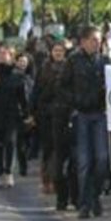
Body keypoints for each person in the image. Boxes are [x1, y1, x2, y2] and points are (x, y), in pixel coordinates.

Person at [61, 26, 110, 219]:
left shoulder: (105, 61)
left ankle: (95, 194)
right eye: (93, 40)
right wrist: (75, 101)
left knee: (102, 159)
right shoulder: (73, 61)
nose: (97, 44)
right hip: (81, 115)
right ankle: (84, 202)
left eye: (99, 40)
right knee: (83, 161)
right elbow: (62, 86)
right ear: (83, 42)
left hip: (100, 114)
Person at [0, 46, 28, 188]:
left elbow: (22, 97)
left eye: (6, 54)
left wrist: (27, 114)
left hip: (12, 114)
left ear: (12, 57)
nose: (3, 56)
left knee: (9, 141)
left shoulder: (18, 75)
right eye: (0, 54)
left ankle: (8, 172)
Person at [34, 42, 68, 199]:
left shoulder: (68, 68)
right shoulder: (44, 68)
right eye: (56, 50)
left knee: (59, 147)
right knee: (48, 147)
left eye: (61, 50)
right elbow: (37, 91)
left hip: (62, 112)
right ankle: (46, 177)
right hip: (46, 113)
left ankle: (56, 179)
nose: (58, 53)